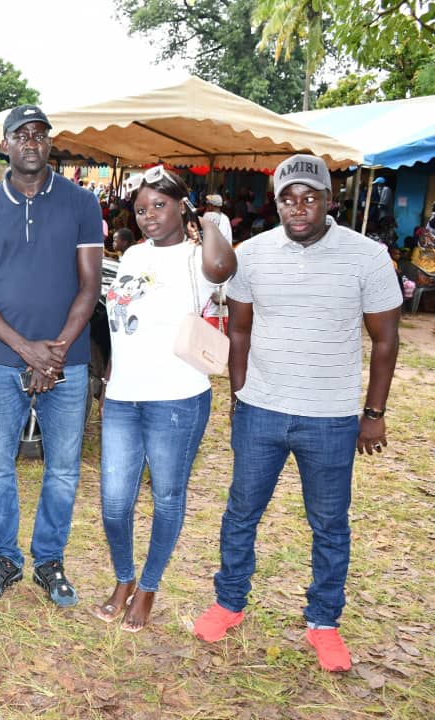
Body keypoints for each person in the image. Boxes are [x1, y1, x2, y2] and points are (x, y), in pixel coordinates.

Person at [194, 154, 401, 672]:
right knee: (241, 514)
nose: (298, 208)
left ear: (329, 200)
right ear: (277, 202)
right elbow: (238, 331)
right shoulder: (254, 254)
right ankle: (229, 602)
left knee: (330, 525)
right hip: (262, 411)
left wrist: (372, 413)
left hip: (331, 418)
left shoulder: (367, 256)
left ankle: (324, 623)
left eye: (309, 197)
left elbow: (386, 340)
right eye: (288, 198)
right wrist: (240, 400)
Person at [0, 105, 103, 606]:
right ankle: (4, 558)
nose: (31, 141)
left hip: (69, 360)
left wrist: (57, 353)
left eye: (40, 134)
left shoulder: (82, 203)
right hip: (3, 361)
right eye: (21, 134)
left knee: (63, 468)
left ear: (49, 144)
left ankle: (49, 561)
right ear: (5, 143)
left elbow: (90, 286)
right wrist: (26, 351)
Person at [94, 166, 236, 632]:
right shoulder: (133, 255)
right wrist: (111, 377)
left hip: (177, 396)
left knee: (167, 497)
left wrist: (207, 219)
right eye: (141, 209)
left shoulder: (200, 255)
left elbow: (222, 269)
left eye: (160, 205)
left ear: (181, 206)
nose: (150, 216)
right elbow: (121, 320)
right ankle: (123, 577)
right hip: (124, 395)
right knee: (115, 502)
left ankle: (149, 587)